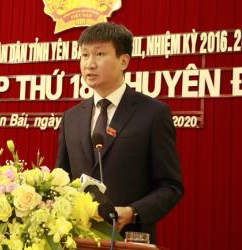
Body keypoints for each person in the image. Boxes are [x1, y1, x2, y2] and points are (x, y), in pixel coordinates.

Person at [56, 22, 184, 243]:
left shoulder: (153, 114)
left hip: (129, 239)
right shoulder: (71, 117)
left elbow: (170, 186)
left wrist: (133, 211)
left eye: (100, 54)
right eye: (84, 55)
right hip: (77, 241)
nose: (89, 64)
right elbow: (61, 179)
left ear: (123, 61)